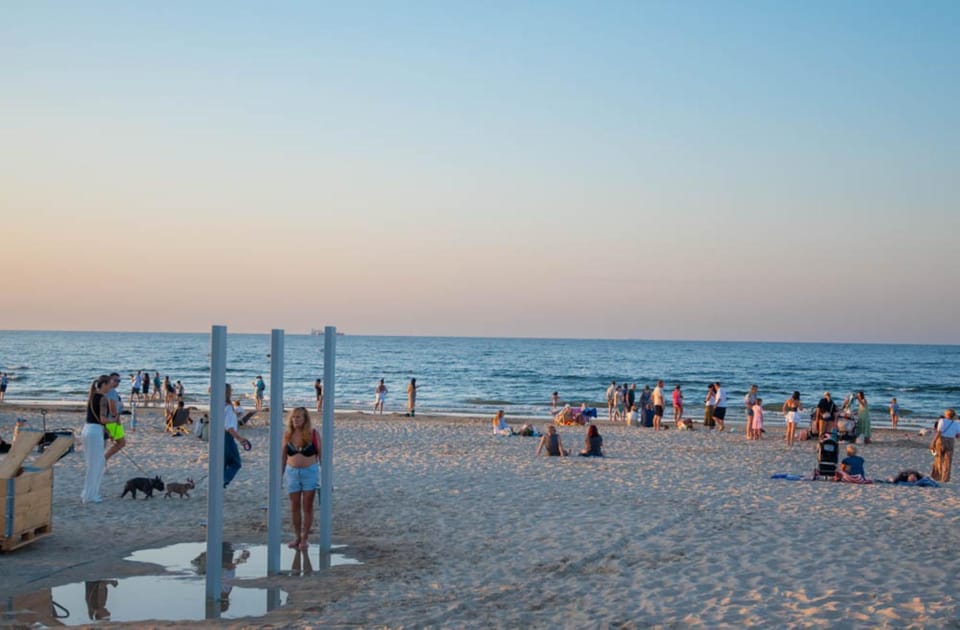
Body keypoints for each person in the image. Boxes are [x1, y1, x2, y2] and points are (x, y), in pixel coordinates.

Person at [282, 407, 320, 550]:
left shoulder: (313, 434)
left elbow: (321, 455)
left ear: (305, 419)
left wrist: (324, 479)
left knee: (308, 506)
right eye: (293, 417)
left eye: (298, 417)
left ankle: (305, 538)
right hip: (292, 472)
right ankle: (297, 537)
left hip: (310, 472)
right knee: (294, 506)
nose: (295, 420)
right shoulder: (288, 434)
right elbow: (283, 456)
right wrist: (280, 476)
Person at [81, 376, 109, 504]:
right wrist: (114, 419)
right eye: (109, 384)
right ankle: (90, 496)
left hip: (87, 429)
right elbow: (103, 419)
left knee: (93, 463)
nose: (110, 387)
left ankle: (88, 493)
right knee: (96, 464)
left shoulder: (92, 396)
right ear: (104, 384)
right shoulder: (102, 398)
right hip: (95, 431)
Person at [223, 383, 250, 488]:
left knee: (223, 463)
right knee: (236, 462)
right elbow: (229, 427)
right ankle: (223, 480)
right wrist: (240, 439)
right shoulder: (228, 408)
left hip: (218, 437)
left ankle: (221, 481)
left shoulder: (217, 405)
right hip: (227, 437)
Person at [103, 373, 126, 462]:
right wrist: (116, 418)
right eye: (115, 380)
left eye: (119, 381)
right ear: (110, 380)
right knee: (121, 442)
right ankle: (104, 459)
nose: (117, 383)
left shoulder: (111, 391)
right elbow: (111, 405)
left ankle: (104, 459)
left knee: (117, 442)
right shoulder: (111, 391)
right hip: (112, 421)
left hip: (112, 420)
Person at [930, 409, 958, 483]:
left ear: (947, 414)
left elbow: (939, 432)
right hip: (951, 441)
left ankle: (937, 477)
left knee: (938, 459)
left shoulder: (942, 421)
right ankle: (945, 479)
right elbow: (958, 435)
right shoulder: (957, 423)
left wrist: (933, 442)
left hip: (941, 440)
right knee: (948, 461)